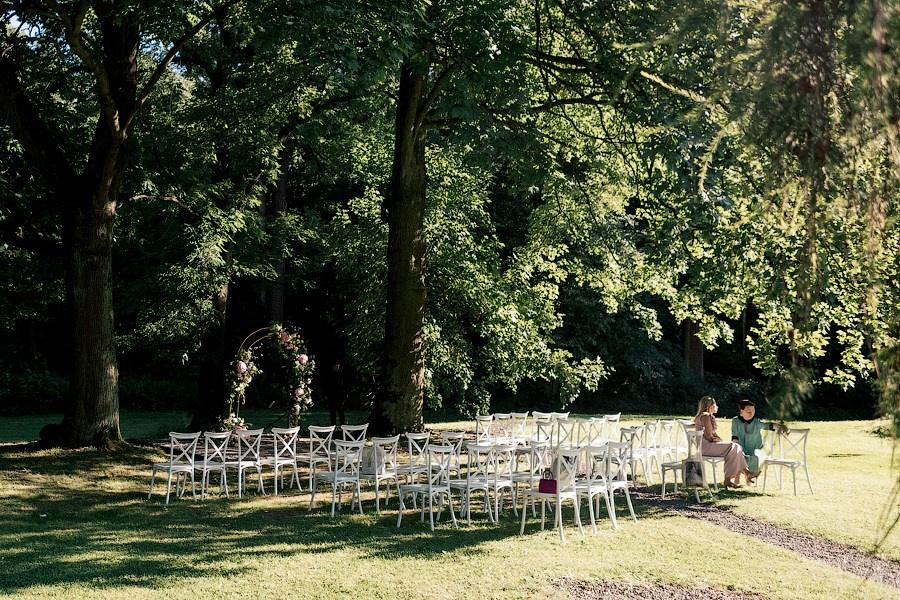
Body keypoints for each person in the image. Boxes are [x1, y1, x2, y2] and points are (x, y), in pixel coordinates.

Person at [694, 395, 750, 489]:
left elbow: (712, 434)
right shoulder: (705, 416)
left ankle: (745, 473)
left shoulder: (708, 416)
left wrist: (718, 440)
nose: (716, 406)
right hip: (706, 447)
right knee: (735, 447)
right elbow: (709, 436)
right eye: (715, 404)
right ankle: (737, 476)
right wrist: (717, 441)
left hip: (706, 446)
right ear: (710, 406)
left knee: (735, 448)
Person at [731, 399, 789, 483]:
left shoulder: (756, 422)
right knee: (738, 455)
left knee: (755, 457)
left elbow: (769, 425)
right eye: (748, 411)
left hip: (756, 449)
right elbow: (734, 436)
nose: (752, 413)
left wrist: (782, 426)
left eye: (753, 411)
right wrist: (736, 448)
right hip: (741, 448)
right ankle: (738, 477)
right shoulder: (735, 421)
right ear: (741, 411)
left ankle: (749, 477)